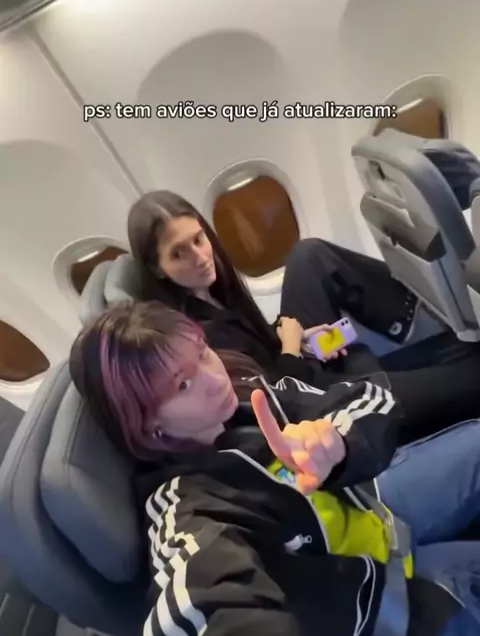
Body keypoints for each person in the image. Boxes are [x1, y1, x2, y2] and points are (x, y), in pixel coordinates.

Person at [68, 299, 480, 636]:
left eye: (202, 352)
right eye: (182, 384)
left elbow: (363, 398)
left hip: (373, 513)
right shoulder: (186, 507)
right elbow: (215, 628)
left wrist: (340, 445)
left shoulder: (247, 401)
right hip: (382, 610)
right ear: (146, 422)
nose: (213, 378)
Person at [125, 190, 480, 445]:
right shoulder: (194, 342)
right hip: (316, 404)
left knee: (309, 256)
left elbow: (254, 348)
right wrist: (292, 349)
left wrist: (294, 338)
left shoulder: (216, 293)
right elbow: (278, 408)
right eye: (178, 254)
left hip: (301, 368)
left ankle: (414, 314)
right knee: (472, 374)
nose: (200, 257)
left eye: (199, 239)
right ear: (157, 269)